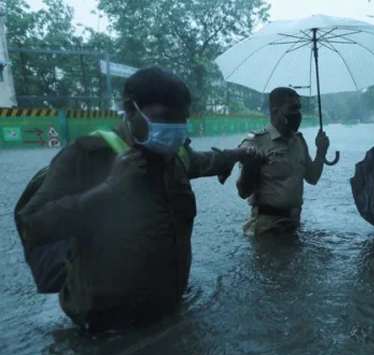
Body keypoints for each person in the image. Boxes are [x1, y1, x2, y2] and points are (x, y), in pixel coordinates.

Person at [15, 67, 265, 332]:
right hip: (105, 329)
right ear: (131, 110)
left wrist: (242, 152)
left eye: (182, 119)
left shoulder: (176, 156)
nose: (174, 129)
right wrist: (108, 191)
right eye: (164, 118)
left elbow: (210, 161)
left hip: (168, 312)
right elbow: (32, 225)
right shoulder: (87, 156)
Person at [236, 87, 330, 237]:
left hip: (293, 224)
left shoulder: (299, 141)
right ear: (275, 111)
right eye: (292, 108)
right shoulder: (255, 143)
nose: (297, 114)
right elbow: (243, 192)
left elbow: (312, 178)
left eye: (299, 108)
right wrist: (250, 166)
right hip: (265, 228)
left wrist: (321, 152)